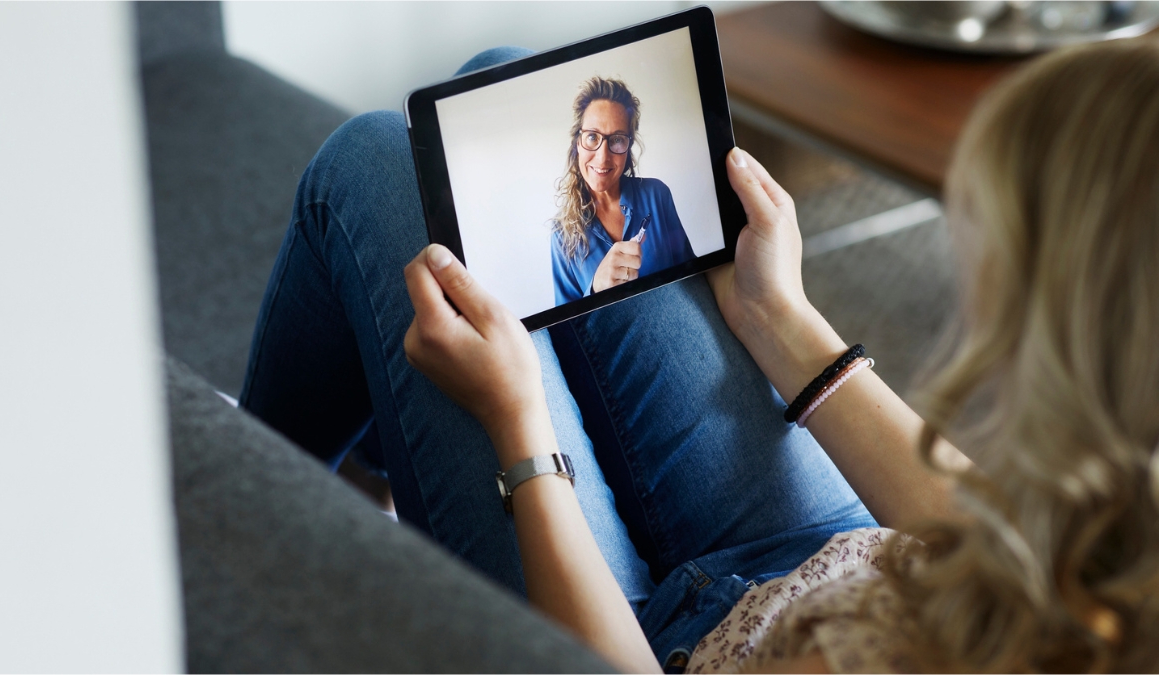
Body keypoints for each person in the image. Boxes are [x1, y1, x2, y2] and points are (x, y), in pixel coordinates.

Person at [240, 39, 1159, 674]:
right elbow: (991, 542)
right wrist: (782, 320)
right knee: (501, 87)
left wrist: (519, 429)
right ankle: (376, 459)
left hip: (650, 643)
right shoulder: (1124, 514)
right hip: (840, 550)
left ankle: (236, 529)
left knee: (368, 165)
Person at [550, 76, 696, 305]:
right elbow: (567, 330)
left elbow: (694, 278)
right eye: (592, 137)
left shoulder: (658, 195)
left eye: (617, 140)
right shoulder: (561, 234)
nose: (603, 156)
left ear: (629, 147)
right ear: (578, 143)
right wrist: (596, 291)